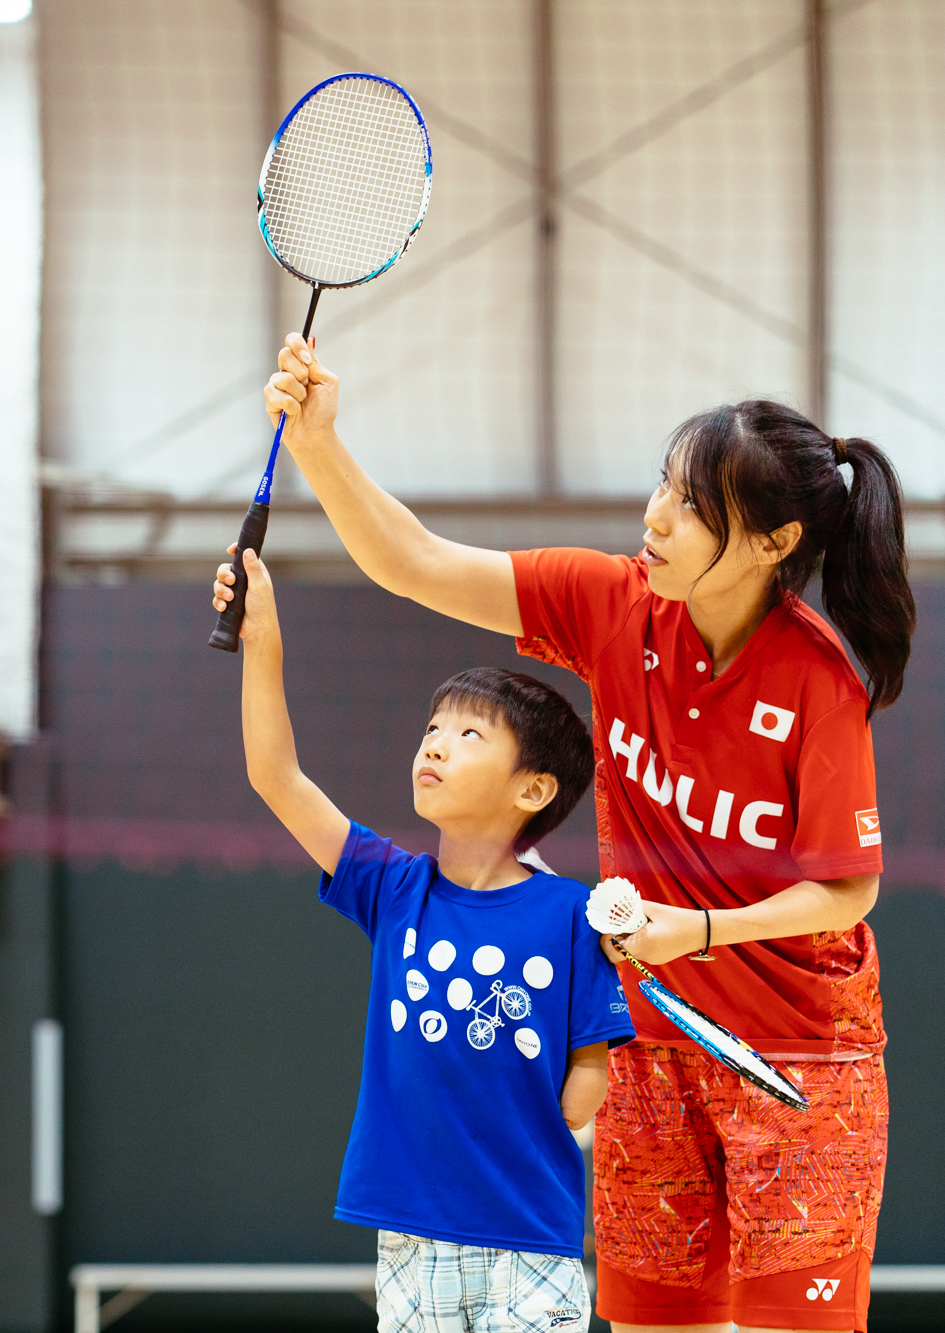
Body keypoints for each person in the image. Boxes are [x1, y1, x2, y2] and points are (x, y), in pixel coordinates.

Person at [217, 336, 910, 1333]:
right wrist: (319, 441)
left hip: (799, 1059)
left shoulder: (817, 683)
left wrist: (695, 932)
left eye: (690, 509)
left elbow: (846, 892)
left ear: (769, 541)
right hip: (652, 1045)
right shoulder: (611, 606)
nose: (653, 519)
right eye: (660, 489)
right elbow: (410, 563)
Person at [234, 542, 634, 1333]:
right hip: (414, 1240)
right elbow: (276, 776)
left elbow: (593, 1069)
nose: (436, 743)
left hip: (532, 1240)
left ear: (535, 788)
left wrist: (536, 1120)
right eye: (433, 727)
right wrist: (262, 638)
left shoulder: (571, 916)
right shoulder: (392, 886)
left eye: (470, 734)